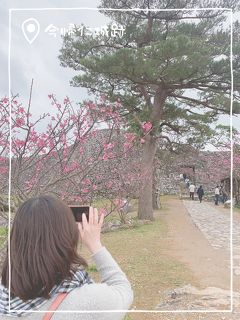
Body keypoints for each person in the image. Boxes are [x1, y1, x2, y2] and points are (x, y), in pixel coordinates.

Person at [0, 195, 133, 319]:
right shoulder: (88, 302)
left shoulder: (4, 296)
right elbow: (123, 290)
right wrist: (95, 244)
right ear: (65, 236)